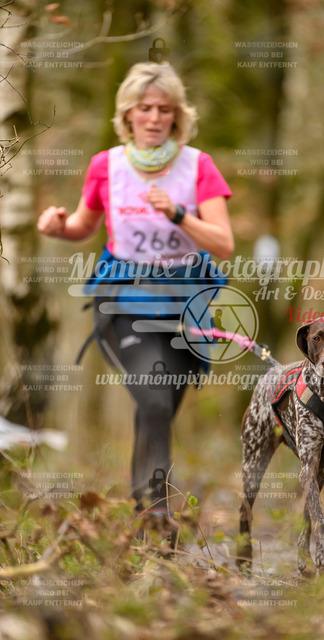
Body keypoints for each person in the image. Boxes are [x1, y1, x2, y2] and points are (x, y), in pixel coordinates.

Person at [37, 62, 234, 521]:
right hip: (124, 299)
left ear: (177, 115)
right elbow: (83, 225)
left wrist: (179, 215)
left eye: (164, 109)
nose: (154, 117)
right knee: (155, 399)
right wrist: (57, 227)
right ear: (127, 112)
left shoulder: (197, 165)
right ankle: (157, 515)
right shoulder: (106, 165)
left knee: (160, 410)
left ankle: (143, 517)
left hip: (185, 306)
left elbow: (224, 244)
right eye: (144, 108)